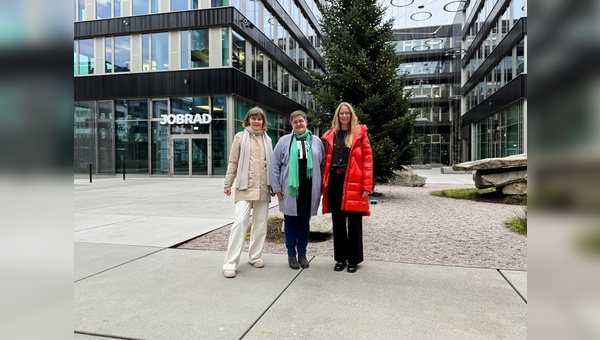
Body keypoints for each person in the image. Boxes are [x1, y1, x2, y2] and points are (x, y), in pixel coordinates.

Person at [321, 102, 373, 273]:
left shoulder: (360, 134)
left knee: (355, 222)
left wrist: (366, 185)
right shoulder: (331, 135)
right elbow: (326, 161)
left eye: (347, 113)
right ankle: (340, 259)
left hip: (354, 182)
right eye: (341, 113)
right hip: (335, 181)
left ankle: (354, 260)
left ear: (351, 115)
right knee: (338, 222)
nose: (344, 116)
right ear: (337, 116)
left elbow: (367, 161)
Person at [222, 107, 273, 278]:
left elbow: (271, 165)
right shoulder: (240, 137)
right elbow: (233, 161)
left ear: (263, 121)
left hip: (263, 188)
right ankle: (230, 262)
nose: (257, 121)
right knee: (240, 222)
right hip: (244, 186)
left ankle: (255, 256)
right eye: (253, 118)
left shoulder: (268, 139)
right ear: (248, 120)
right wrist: (228, 183)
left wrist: (274, 186)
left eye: (259, 119)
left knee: (260, 224)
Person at [270, 110, 325, 270]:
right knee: (290, 221)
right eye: (295, 122)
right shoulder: (284, 141)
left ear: (306, 122)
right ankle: (291, 254)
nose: (298, 124)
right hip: (290, 190)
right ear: (292, 125)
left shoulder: (316, 142)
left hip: (309, 189)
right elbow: (275, 165)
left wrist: (320, 187)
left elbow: (322, 165)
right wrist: (277, 187)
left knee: (304, 221)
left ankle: (302, 253)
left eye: (301, 121)